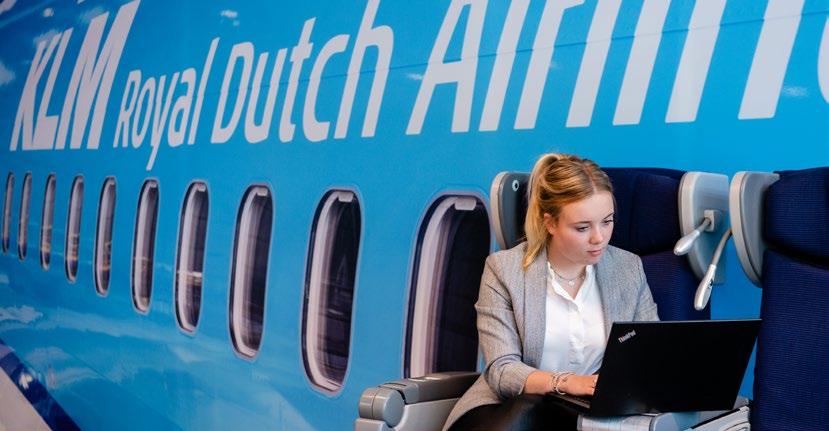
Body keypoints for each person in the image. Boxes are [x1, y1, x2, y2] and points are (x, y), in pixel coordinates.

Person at [444, 153, 659, 431]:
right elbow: (502, 370)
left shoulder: (628, 269)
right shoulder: (504, 270)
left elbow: (647, 355)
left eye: (607, 221)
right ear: (550, 223)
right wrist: (566, 383)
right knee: (529, 410)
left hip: (585, 415)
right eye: (582, 227)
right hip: (507, 410)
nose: (599, 237)